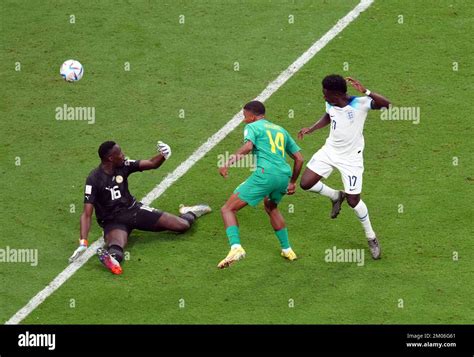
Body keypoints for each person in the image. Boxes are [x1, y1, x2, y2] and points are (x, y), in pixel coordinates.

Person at [69, 140, 211, 274]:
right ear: (111, 158)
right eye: (119, 153)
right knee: (117, 248)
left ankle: (189, 212)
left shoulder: (123, 165)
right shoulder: (94, 179)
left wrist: (163, 155)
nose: (123, 155)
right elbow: (87, 214)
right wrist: (83, 241)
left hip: (134, 211)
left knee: (182, 226)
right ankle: (112, 261)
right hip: (113, 221)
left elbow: (151, 163)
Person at [298, 75, 391, 259]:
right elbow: (328, 115)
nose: (324, 97)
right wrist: (312, 128)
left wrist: (366, 91)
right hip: (330, 151)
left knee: (353, 202)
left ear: (337, 93)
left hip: (351, 160)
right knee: (306, 183)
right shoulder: (331, 103)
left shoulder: (361, 103)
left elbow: (387, 104)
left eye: (326, 94)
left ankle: (371, 237)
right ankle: (335, 195)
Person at [218, 100, 304, 269]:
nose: (244, 120)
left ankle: (236, 248)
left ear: (253, 116)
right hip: (283, 176)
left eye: (245, 116)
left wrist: (228, 162)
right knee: (271, 207)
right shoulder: (281, 130)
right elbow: (299, 158)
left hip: (266, 174)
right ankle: (287, 249)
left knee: (228, 209)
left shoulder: (253, 127)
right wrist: (293, 182)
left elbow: (248, 146)